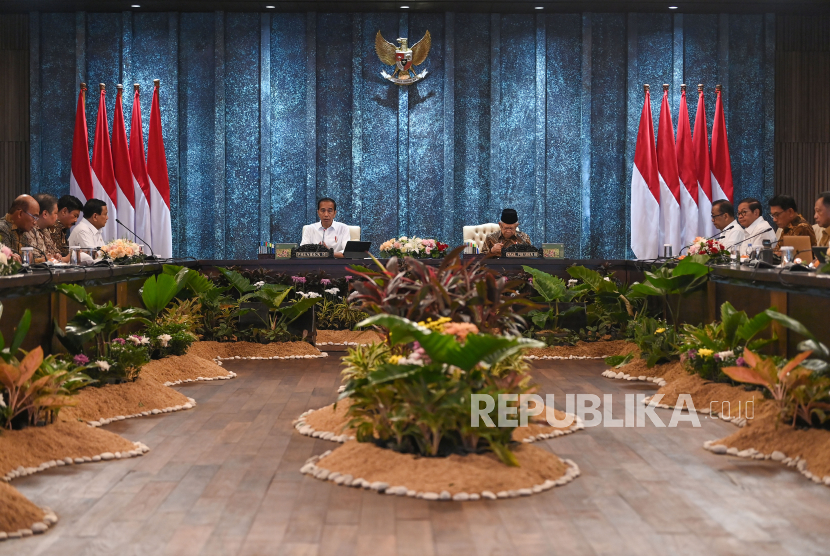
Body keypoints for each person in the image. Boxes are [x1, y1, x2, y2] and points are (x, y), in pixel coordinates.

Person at [0, 195, 40, 261]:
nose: (35, 222)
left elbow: (27, 257)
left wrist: (45, 259)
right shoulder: (2, 228)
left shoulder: (21, 230)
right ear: (20, 213)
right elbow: (8, 259)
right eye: (34, 217)